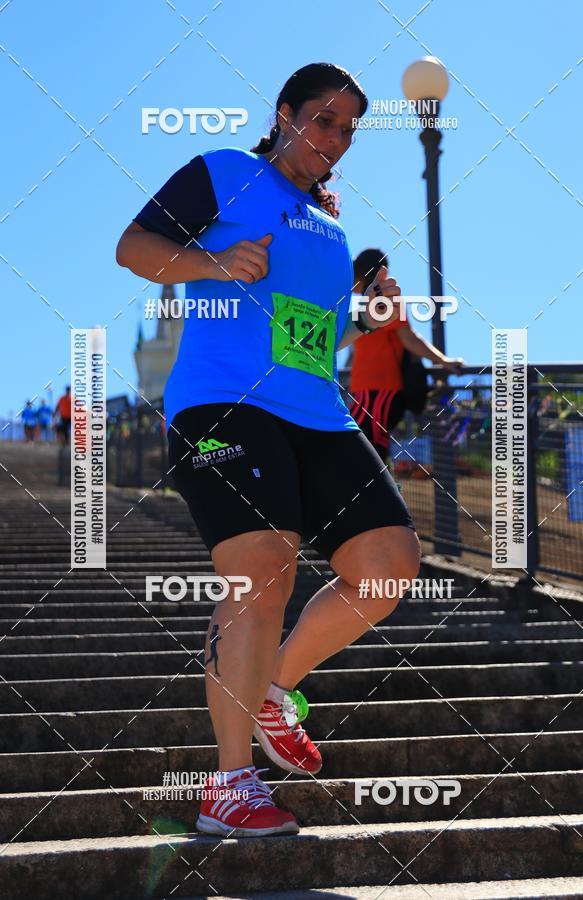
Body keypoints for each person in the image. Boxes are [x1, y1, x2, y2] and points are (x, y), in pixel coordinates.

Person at [116, 62, 421, 838]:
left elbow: (306, 334)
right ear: (283, 114)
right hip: (224, 402)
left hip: (315, 412)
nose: (335, 139)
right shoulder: (227, 172)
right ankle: (228, 786)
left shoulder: (328, 222)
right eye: (322, 120)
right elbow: (133, 246)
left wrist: (367, 320)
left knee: (389, 564)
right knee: (261, 572)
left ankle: (274, 690)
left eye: (348, 129)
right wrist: (210, 263)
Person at [349, 248, 464, 465]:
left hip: (381, 390)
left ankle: (382, 488)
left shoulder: (385, 298)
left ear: (367, 272)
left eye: (356, 271)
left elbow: (409, 338)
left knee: (366, 452)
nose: (351, 277)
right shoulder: (366, 302)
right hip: (367, 392)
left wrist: (443, 361)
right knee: (363, 451)